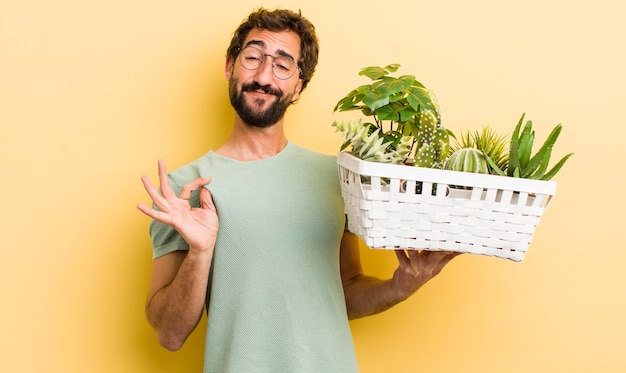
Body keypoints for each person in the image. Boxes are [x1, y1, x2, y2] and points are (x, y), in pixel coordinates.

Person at [137, 8, 459, 372]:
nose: (263, 76)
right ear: (230, 66)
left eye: (282, 65)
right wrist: (199, 251)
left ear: (299, 86)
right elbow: (169, 334)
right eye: (253, 57)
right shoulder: (184, 189)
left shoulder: (336, 176)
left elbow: (345, 288)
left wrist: (399, 287)